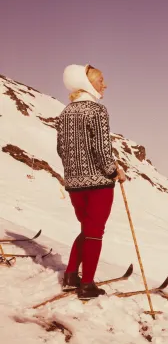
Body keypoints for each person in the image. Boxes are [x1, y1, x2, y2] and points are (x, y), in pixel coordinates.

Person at [56, 64, 126, 300]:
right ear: (86, 83)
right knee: (95, 232)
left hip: (74, 184)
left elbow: (61, 149)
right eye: (100, 80)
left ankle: (70, 276)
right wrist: (114, 171)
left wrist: (74, 172)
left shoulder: (65, 112)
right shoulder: (96, 110)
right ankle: (87, 285)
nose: (104, 85)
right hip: (98, 184)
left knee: (87, 229)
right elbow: (101, 148)